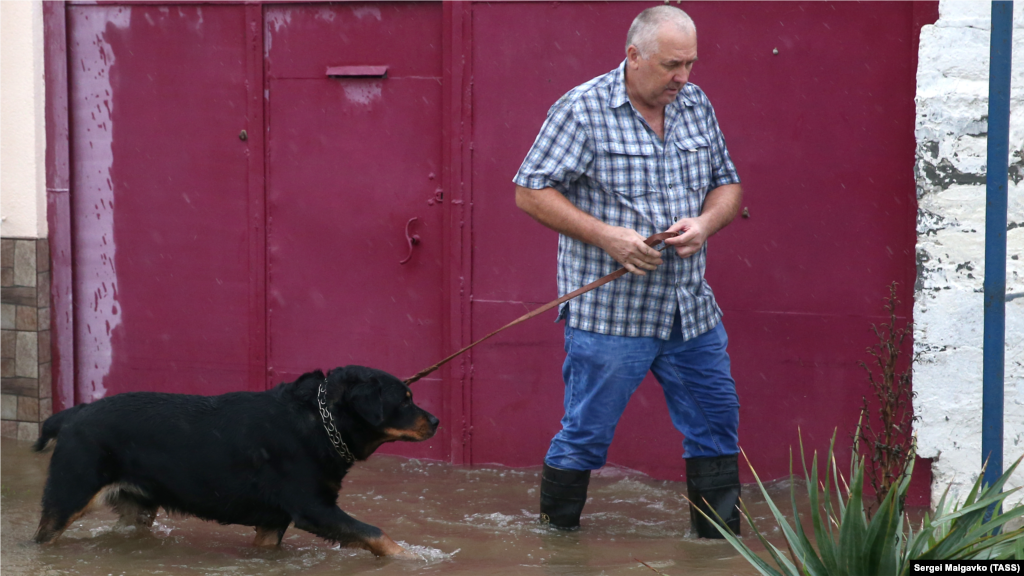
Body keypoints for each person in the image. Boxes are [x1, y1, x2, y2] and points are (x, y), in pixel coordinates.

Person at [512, 6, 743, 538]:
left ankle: (718, 548)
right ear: (633, 56)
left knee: (716, 427)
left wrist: (705, 223)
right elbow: (528, 191)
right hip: (609, 316)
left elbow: (728, 185)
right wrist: (606, 236)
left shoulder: (696, 104)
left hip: (691, 311)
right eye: (670, 65)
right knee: (586, 436)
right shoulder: (581, 109)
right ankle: (554, 546)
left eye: (690, 64)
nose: (682, 77)